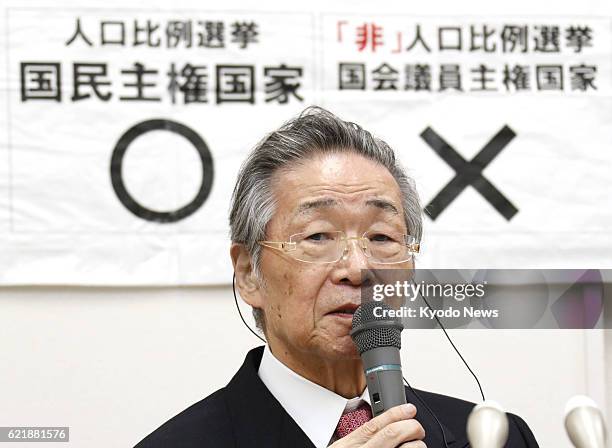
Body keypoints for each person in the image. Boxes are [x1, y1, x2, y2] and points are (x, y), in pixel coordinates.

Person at [135, 107, 539, 447]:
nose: (359, 268)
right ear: (248, 273)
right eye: (318, 236)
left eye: (382, 237)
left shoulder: (494, 437)